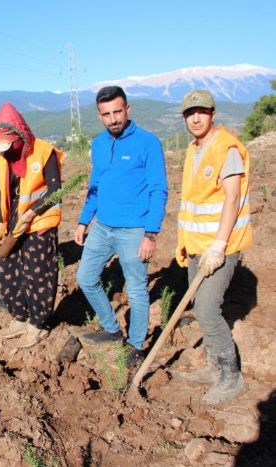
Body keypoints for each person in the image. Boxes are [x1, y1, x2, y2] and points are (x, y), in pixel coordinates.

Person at [75, 86, 168, 364]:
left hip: (135, 230)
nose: (113, 119)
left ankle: (137, 345)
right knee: (85, 278)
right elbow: (95, 185)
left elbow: (158, 189)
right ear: (99, 115)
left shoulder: (148, 143)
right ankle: (112, 329)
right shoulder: (99, 144)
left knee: (137, 290)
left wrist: (150, 234)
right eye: (106, 114)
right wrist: (83, 220)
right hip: (102, 227)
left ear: (128, 110)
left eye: (118, 111)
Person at [172, 90, 251, 404]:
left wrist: (218, 246)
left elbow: (232, 198)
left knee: (206, 307)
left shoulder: (225, 147)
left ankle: (231, 377)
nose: (196, 118)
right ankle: (213, 366)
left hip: (221, 247)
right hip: (196, 246)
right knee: (199, 307)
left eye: (202, 112)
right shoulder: (194, 148)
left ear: (212, 113)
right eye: (190, 113)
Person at [0, 103, 65, 348]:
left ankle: (37, 324)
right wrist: (1, 225)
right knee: (8, 269)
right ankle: (20, 317)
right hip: (14, 221)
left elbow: (56, 191)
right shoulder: (3, 158)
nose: (8, 152)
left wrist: (31, 213)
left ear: (20, 136)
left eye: (11, 146)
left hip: (40, 221)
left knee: (38, 272)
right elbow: (2, 191)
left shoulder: (44, 151)